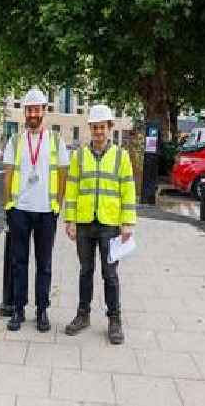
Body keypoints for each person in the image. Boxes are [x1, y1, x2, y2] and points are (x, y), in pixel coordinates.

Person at [63, 104, 137, 344]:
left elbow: (127, 189)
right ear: (90, 129)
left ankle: (114, 319)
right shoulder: (79, 156)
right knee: (85, 271)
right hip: (84, 223)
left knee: (110, 274)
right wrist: (70, 220)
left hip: (110, 224)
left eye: (102, 127)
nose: (98, 132)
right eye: (94, 127)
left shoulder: (120, 156)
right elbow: (72, 189)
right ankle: (83, 315)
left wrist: (127, 223)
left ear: (109, 128)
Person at [3, 87, 69, 332]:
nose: (32, 113)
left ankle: (42, 310)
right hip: (20, 210)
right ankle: (18, 310)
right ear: (24, 112)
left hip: (45, 212)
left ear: (43, 111)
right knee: (19, 262)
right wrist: (8, 205)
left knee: (45, 264)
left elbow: (63, 174)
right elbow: (8, 173)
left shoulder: (55, 140)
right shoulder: (15, 140)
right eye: (29, 109)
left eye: (36, 109)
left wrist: (57, 206)